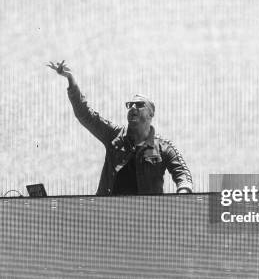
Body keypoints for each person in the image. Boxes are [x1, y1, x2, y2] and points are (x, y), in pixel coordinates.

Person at [48, 60, 193, 195]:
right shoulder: (114, 135)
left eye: (140, 105)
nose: (133, 107)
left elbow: (182, 174)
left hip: (147, 218)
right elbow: (85, 115)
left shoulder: (164, 148)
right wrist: (71, 80)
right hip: (109, 216)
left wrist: (183, 192)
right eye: (130, 105)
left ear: (151, 114)